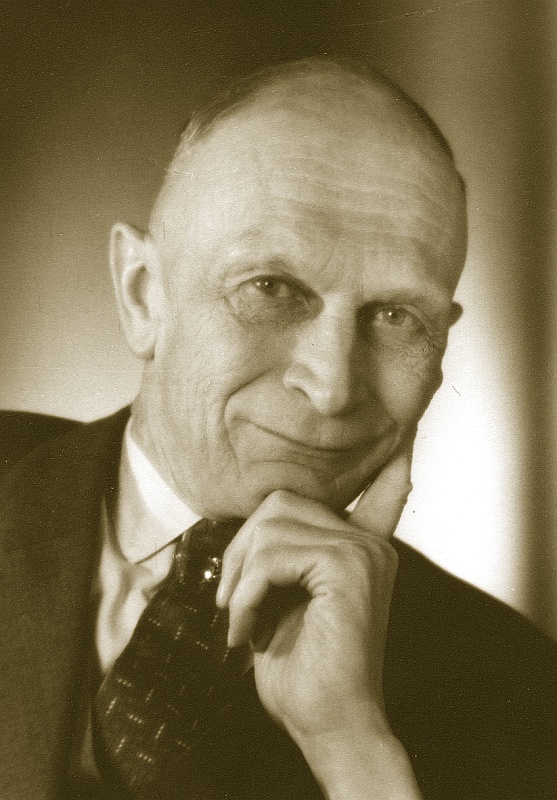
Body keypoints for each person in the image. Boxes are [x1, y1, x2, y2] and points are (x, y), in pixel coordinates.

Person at [0, 57, 555, 800]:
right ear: (143, 296)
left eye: (395, 317)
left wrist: (354, 751)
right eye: (270, 288)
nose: (332, 386)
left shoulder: (520, 692)